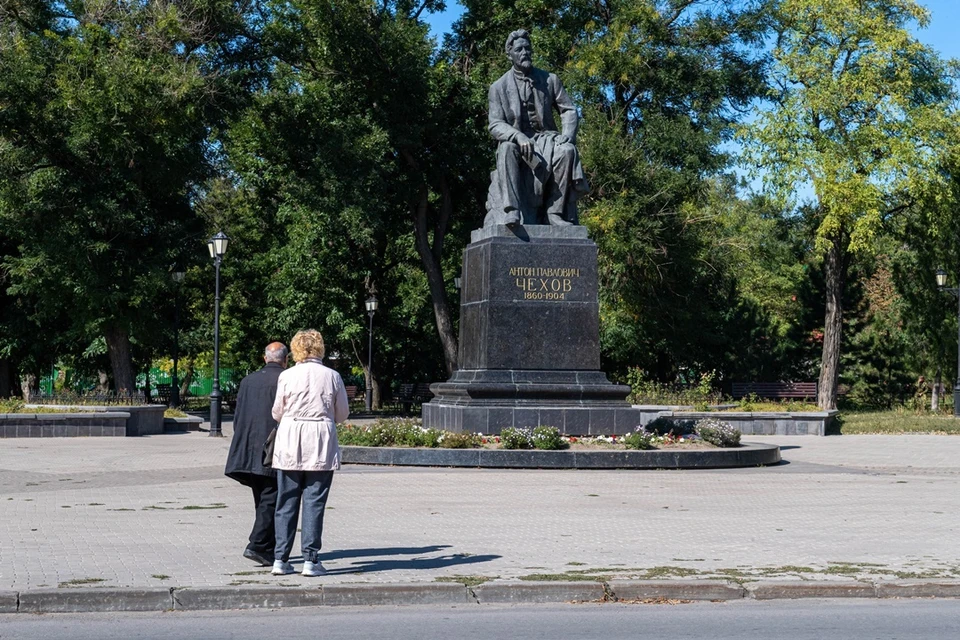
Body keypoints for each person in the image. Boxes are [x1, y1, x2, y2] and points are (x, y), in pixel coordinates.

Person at [485, 29, 589, 227]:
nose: (525, 53)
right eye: (519, 49)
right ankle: (512, 210)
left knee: (567, 151)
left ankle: (554, 213)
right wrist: (516, 136)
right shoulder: (498, 87)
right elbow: (495, 124)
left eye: (527, 48)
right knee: (506, 149)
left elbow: (568, 110)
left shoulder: (550, 79)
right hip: (517, 141)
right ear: (510, 54)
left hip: (546, 139)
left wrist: (567, 134)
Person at [270, 329, 349, 577]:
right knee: (315, 501)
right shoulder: (332, 376)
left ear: (295, 349)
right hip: (320, 440)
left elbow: (277, 412)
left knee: (286, 501)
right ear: (320, 348)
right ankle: (311, 560)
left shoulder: (287, 375)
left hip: (290, 438)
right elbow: (342, 414)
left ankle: (280, 559)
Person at [224, 342, 289, 567]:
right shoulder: (286, 379)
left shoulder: (248, 380)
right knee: (271, 496)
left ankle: (266, 549)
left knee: (262, 498)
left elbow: (238, 415)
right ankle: (258, 545)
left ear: (264, 359)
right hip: (274, 447)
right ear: (285, 359)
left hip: (248, 448)